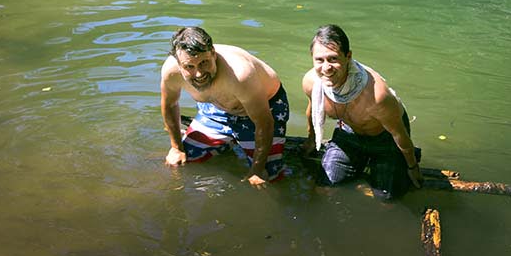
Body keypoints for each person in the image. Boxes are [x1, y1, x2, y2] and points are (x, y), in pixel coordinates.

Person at [301, 24, 422, 200]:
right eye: (319, 60)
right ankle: (358, 159)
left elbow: (399, 135)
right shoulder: (311, 83)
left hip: (385, 138)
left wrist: (412, 167)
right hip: (348, 135)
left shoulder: (376, 95)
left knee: (387, 200)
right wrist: (311, 140)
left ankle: (400, 160)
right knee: (324, 188)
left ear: (348, 56)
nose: (326, 68)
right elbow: (312, 111)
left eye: (333, 59)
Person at [160, 26, 288, 187]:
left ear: (213, 53)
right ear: (178, 64)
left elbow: (264, 122)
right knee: (183, 161)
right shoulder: (171, 72)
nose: (199, 74)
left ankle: (237, 143)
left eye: (204, 62)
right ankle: (227, 145)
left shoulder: (240, 74)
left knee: (269, 176)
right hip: (216, 108)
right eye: (189, 67)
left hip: (266, 107)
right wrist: (176, 147)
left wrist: (256, 170)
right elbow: (170, 104)